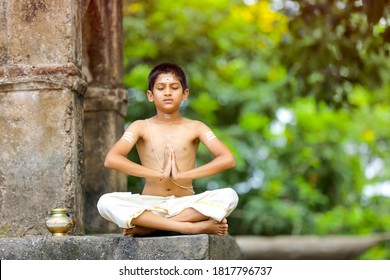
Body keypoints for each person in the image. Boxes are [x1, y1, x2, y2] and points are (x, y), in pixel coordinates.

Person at [97, 63, 238, 237]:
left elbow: (227, 159)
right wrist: (157, 174)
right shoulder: (140, 126)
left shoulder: (196, 127)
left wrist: (182, 175)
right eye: (161, 88)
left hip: (185, 205)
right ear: (150, 95)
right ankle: (189, 227)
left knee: (229, 195)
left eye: (174, 87)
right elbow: (112, 159)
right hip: (150, 205)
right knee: (105, 202)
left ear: (185, 93)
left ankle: (153, 227)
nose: (168, 92)